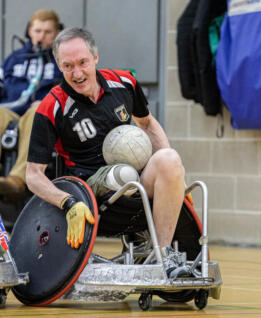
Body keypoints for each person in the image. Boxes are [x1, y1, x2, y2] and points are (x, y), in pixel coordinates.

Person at [26, 28, 190, 277]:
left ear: (95, 58)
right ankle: (142, 232)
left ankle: (163, 255)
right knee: (123, 173)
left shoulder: (124, 82)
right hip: (90, 193)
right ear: (59, 66)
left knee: (170, 159)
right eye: (68, 66)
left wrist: (176, 179)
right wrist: (67, 202)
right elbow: (33, 175)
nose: (77, 73)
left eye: (83, 63)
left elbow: (146, 124)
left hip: (136, 183)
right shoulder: (52, 106)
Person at [0, 9, 63, 200]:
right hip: (11, 112)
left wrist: (47, 103)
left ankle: (18, 179)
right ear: (29, 31)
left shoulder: (61, 60)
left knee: (37, 112)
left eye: (47, 32)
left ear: (56, 33)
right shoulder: (14, 59)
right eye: (38, 31)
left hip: (39, 112)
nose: (42, 36)